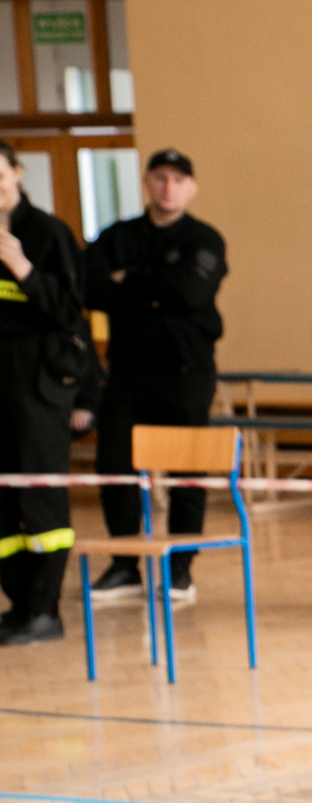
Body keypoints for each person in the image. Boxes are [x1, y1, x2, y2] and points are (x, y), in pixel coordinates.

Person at [84, 148, 227, 605]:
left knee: (187, 472)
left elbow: (192, 290)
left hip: (186, 373)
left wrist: (130, 280)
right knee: (115, 467)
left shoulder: (204, 239)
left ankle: (179, 568)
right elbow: (91, 288)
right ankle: (125, 563)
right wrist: (158, 288)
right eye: (161, 178)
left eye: (178, 180)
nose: (169, 187)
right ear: (147, 182)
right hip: (128, 373)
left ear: (191, 188)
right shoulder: (117, 236)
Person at [0, 140, 92, 646]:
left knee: (40, 499)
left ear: (16, 173)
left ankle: (45, 608)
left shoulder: (48, 233)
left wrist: (24, 269)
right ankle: (19, 605)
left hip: (38, 383)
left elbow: (70, 313)